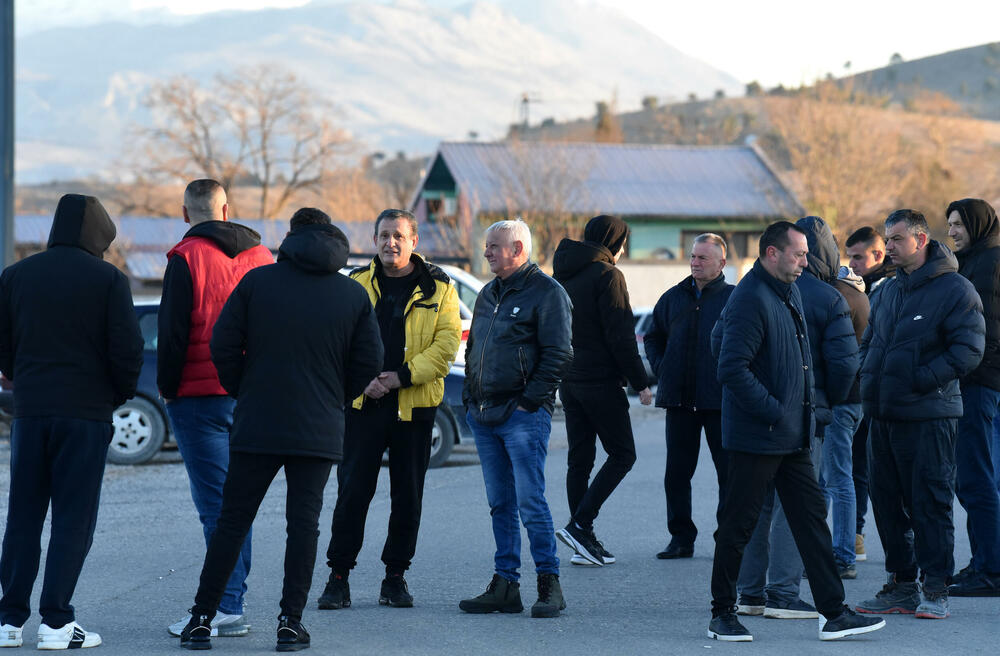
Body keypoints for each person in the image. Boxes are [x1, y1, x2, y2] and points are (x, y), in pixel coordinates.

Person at [177, 209, 383, 651]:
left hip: (258, 421)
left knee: (232, 522)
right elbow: (369, 360)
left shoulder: (258, 282)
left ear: (290, 237)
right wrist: (336, 397)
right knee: (303, 526)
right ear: (331, 237)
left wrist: (243, 387)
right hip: (318, 426)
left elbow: (222, 344)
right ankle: (290, 622)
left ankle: (201, 619)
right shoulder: (351, 295)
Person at [707, 221, 884, 642]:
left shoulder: (789, 293)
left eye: (806, 254)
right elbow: (730, 365)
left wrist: (799, 413)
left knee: (811, 523)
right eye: (798, 254)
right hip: (760, 435)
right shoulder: (750, 297)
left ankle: (834, 612)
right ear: (772, 254)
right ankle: (721, 614)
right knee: (738, 525)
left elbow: (803, 363)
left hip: (792, 435)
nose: (806, 261)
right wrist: (773, 410)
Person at [0, 194, 143, 649]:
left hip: (31, 410)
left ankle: (8, 619)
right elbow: (127, 351)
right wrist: (113, 395)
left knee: (23, 515)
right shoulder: (108, 280)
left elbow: (4, 350)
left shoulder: (15, 276)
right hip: (85, 414)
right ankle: (57, 622)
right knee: (72, 519)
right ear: (99, 234)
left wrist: (24, 380)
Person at [319, 209, 461, 609]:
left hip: (413, 407)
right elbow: (336, 339)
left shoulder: (440, 288)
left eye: (398, 235)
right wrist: (361, 380)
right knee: (352, 493)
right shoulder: (355, 284)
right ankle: (338, 577)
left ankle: (395, 578)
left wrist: (399, 377)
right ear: (374, 239)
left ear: (414, 241)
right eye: (383, 235)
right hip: (363, 404)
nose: (390, 243)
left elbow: (447, 346)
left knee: (408, 497)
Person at [158, 179, 274, 638]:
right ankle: (231, 600)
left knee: (216, 507)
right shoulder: (262, 259)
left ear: (186, 214)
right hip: (251, 396)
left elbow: (172, 334)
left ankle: (226, 606)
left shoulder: (184, 258)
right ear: (228, 210)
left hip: (197, 395)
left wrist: (169, 389)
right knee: (238, 503)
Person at [856, 209, 984, 621]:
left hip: (929, 416)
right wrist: (866, 377)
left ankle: (935, 587)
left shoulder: (956, 290)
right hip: (882, 415)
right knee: (887, 504)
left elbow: (968, 351)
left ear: (921, 239)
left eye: (895, 240)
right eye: (887, 240)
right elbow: (870, 342)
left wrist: (921, 379)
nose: (888, 247)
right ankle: (901, 584)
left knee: (930, 502)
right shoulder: (888, 291)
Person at [734, 216, 859, 620]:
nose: (804, 260)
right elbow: (844, 366)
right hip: (807, 418)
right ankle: (783, 592)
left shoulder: (754, 289)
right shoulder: (828, 297)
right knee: (800, 508)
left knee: (757, 507)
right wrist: (824, 405)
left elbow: (723, 343)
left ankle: (749, 592)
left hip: (765, 416)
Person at [459, 219, 573, 618]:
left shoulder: (548, 293)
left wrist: (529, 402)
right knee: (500, 503)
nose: (487, 252)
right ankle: (505, 584)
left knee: (530, 501)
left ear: (518, 250)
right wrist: (471, 397)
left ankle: (549, 584)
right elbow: (475, 346)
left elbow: (559, 355)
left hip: (522, 416)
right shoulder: (488, 293)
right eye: (487, 245)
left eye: (494, 246)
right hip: (484, 413)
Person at [551, 215, 652, 567]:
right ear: (614, 243)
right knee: (623, 454)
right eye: (623, 244)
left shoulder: (562, 273)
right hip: (600, 381)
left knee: (580, 458)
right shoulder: (608, 275)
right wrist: (641, 382)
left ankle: (582, 538)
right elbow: (621, 335)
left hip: (570, 379)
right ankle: (580, 525)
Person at [643, 233, 733, 560]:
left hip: (721, 401)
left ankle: (728, 536)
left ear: (721, 263)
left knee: (729, 474)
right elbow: (653, 338)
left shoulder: (734, 299)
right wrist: (662, 367)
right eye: (693, 257)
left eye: (703, 258)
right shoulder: (672, 298)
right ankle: (681, 538)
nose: (695, 263)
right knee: (677, 473)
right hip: (679, 400)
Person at [945, 198, 1000, 596]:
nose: (952, 232)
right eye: (949, 225)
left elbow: (986, 334)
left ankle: (990, 569)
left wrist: (959, 370)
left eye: (959, 224)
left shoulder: (987, 264)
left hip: (980, 385)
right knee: (981, 478)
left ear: (977, 225)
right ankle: (983, 561)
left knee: (976, 478)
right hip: (983, 384)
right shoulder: (978, 260)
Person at [844, 225, 895, 563]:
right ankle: (856, 535)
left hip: (879, 392)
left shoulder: (890, 286)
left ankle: (862, 537)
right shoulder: (859, 286)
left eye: (859, 257)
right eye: (849, 256)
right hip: (861, 389)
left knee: (872, 469)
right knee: (856, 466)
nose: (853, 263)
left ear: (879, 255)